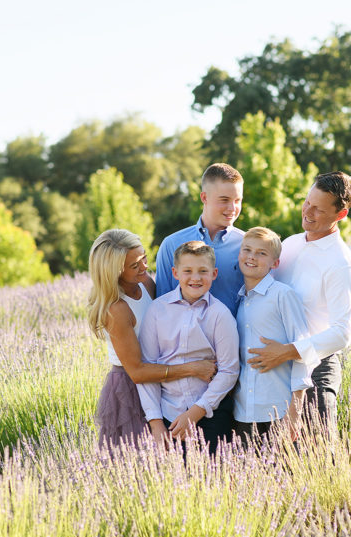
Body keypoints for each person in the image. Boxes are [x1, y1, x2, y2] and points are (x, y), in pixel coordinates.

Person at [247, 172, 351, 436]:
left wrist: (287, 351)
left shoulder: (341, 264)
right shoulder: (289, 244)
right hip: (274, 367)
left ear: (340, 215)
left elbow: (343, 333)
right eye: (307, 202)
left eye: (318, 209)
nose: (307, 212)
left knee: (315, 459)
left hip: (315, 373)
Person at [87, 229, 217, 448]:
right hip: (131, 387)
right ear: (114, 272)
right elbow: (137, 372)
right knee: (140, 461)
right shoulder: (117, 309)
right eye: (134, 266)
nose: (144, 268)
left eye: (144, 259)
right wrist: (193, 368)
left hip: (161, 377)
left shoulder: (144, 283)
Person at [138, 240, 240, 454]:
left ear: (214, 273)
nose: (195, 278)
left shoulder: (220, 315)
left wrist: (195, 412)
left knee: (213, 478)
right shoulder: (157, 310)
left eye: (203, 271)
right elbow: (148, 367)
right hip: (167, 414)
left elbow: (229, 370)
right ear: (175, 273)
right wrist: (155, 421)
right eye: (188, 271)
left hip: (210, 414)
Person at [232, 227, 318, 446]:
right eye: (247, 250)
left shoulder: (282, 295)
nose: (252, 257)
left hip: (278, 411)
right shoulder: (240, 301)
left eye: (261, 253)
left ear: (275, 263)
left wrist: (295, 411)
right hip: (244, 412)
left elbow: (303, 352)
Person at [155, 163, 244, 316]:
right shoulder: (171, 244)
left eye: (237, 200)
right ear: (204, 197)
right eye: (224, 200)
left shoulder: (247, 246)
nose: (232, 208)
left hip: (232, 338)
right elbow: (162, 305)